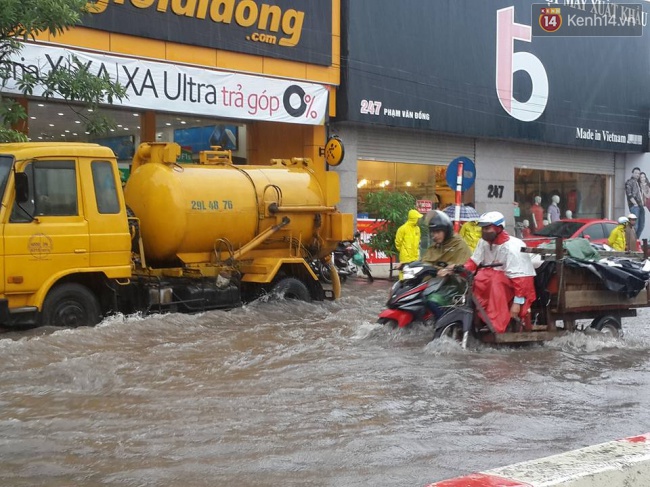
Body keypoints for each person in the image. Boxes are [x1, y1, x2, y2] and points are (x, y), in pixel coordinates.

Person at [464, 211, 536, 333]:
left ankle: (497, 326)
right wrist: (457, 269)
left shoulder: (511, 248)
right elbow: (474, 261)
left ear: (499, 228)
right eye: (483, 228)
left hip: (516, 285)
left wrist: (517, 303)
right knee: (477, 279)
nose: (484, 231)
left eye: (487, 228)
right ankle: (481, 319)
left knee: (495, 281)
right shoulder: (483, 242)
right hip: (491, 279)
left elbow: (521, 279)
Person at [421, 210, 472, 317]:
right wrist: (406, 264)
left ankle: (443, 326)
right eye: (433, 232)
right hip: (435, 283)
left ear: (446, 230)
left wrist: (449, 270)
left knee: (433, 300)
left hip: (454, 285)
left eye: (438, 232)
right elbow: (425, 261)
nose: (435, 235)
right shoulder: (436, 246)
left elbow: (465, 266)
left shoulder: (458, 245)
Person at [395, 209, 423, 275]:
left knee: (414, 277)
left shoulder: (417, 229)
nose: (419, 220)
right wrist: (403, 251)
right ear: (413, 218)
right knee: (405, 277)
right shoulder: (402, 229)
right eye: (417, 218)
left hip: (415, 257)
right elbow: (398, 243)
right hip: (405, 258)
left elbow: (418, 242)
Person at [625, 167, 645, 236]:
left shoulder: (638, 183)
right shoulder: (629, 182)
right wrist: (635, 203)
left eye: (638, 173)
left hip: (641, 206)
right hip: (635, 206)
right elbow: (629, 194)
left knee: (641, 226)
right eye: (636, 173)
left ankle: (635, 240)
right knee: (635, 226)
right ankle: (630, 241)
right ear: (632, 173)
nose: (637, 174)